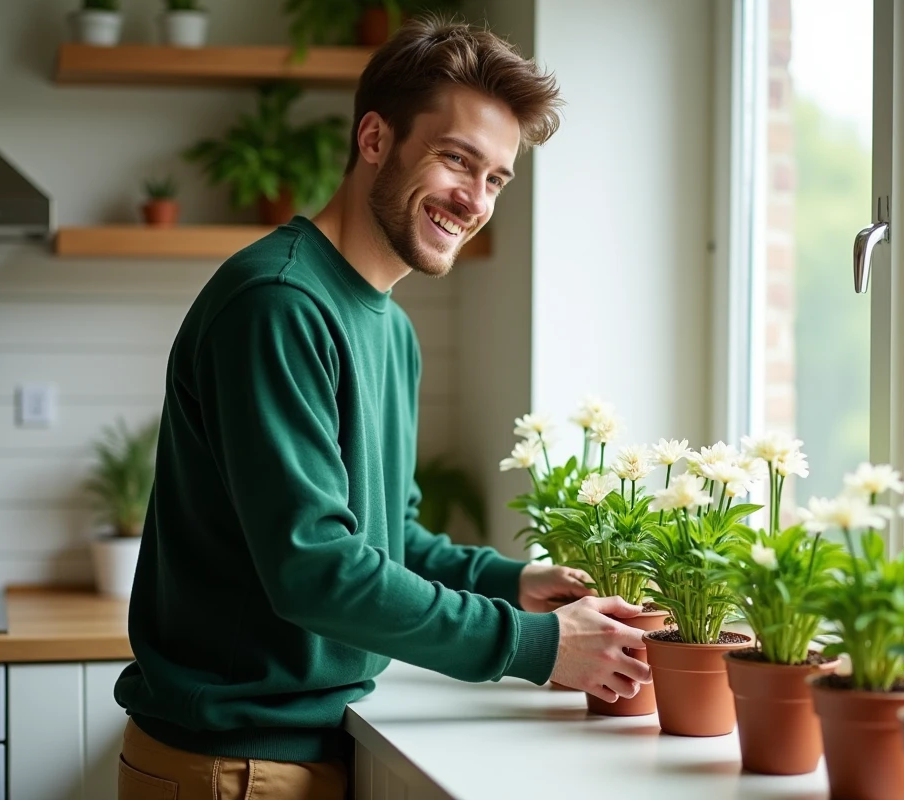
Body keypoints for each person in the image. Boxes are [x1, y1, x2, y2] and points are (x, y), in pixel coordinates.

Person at [113, 17, 652, 800]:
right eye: (456, 160)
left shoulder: (390, 328)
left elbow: (384, 538)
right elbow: (315, 571)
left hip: (296, 754)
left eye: (496, 178)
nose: (474, 199)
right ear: (374, 139)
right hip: (230, 767)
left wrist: (514, 581)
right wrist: (534, 645)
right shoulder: (278, 304)